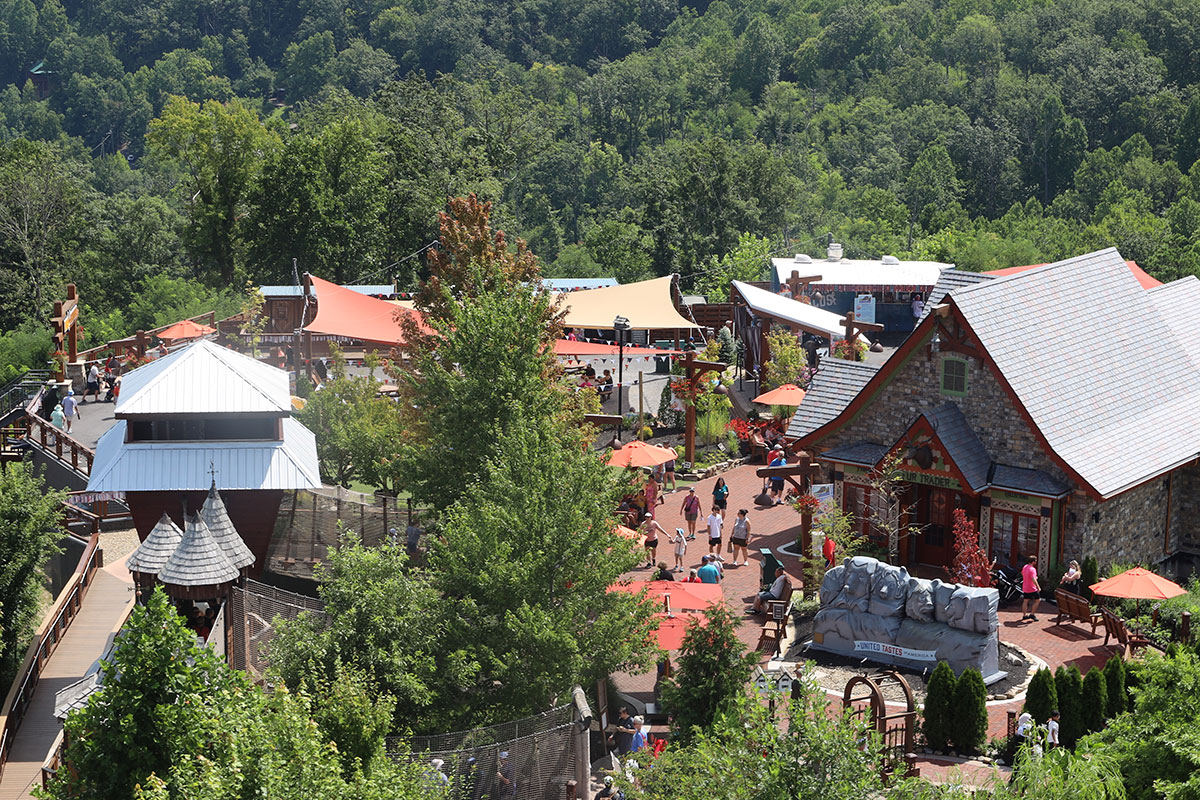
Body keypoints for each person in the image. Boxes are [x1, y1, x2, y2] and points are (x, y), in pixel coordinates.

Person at [1021, 554, 1041, 621]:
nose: (1036, 562)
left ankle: (1024, 615)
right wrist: (1038, 587)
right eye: (1035, 561)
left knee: (1025, 601)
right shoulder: (1032, 569)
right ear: (1033, 562)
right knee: (1037, 600)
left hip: (1025, 587)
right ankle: (1032, 614)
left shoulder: (1025, 567)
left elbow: (1023, 574)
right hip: (1032, 588)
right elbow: (1033, 579)